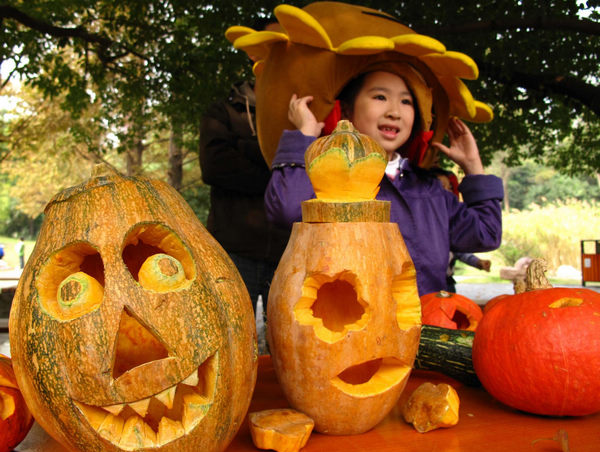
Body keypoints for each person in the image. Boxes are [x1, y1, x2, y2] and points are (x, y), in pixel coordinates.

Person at [264, 69, 503, 296]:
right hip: (356, 331)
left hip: (429, 329)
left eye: (406, 102)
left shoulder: (430, 190)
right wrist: (305, 134)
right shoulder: (332, 183)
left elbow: (485, 234)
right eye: (380, 96)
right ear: (346, 111)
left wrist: (474, 167)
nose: (394, 112)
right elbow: (287, 210)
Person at [199, 21, 291, 318]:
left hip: (288, 253)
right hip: (233, 250)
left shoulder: (304, 117)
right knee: (230, 336)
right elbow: (215, 167)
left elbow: (312, 173)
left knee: (292, 343)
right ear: (254, 54)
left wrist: (243, 148)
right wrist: (279, 175)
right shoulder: (223, 111)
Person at [430, 166, 493, 292]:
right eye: (441, 188)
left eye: (450, 188)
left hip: (446, 283)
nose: (447, 193)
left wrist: (477, 262)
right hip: (424, 284)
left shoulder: (449, 222)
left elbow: (458, 251)